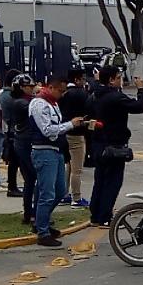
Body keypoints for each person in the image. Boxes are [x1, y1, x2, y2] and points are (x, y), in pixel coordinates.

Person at [28, 75, 84, 247]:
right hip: (44, 151)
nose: (62, 94)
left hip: (56, 150)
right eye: (60, 91)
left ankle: (41, 222)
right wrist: (70, 125)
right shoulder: (39, 104)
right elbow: (47, 130)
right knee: (47, 193)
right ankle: (42, 231)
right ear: (50, 88)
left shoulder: (53, 103)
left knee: (60, 190)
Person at [88, 66, 143, 227]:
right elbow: (139, 106)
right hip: (113, 145)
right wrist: (140, 89)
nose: (121, 80)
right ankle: (105, 216)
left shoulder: (94, 95)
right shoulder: (114, 97)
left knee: (100, 181)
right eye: (119, 77)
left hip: (98, 144)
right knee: (112, 182)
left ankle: (95, 215)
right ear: (111, 80)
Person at [10, 74, 38, 224]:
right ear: (21, 87)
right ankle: (32, 213)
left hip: (25, 142)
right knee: (34, 177)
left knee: (30, 180)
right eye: (29, 87)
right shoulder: (21, 103)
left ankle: (29, 213)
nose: (32, 89)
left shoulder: (26, 101)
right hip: (24, 143)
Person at [59, 69, 89, 207]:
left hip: (64, 131)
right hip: (77, 133)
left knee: (68, 165)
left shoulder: (63, 94)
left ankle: (63, 194)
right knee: (77, 169)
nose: (84, 81)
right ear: (76, 80)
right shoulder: (81, 94)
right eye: (82, 79)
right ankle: (76, 198)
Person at [0, 69, 24, 197]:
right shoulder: (11, 97)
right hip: (14, 130)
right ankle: (12, 187)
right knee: (16, 161)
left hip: (9, 130)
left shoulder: (3, 95)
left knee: (14, 162)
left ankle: (12, 185)